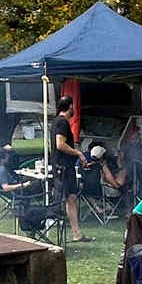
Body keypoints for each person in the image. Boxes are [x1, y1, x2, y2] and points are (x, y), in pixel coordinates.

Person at [52, 95, 88, 242]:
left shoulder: (56, 121)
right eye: (73, 107)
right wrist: (78, 153)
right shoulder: (62, 122)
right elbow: (60, 144)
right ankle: (75, 233)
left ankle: (76, 232)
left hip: (61, 166)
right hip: (65, 167)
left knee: (70, 198)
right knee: (70, 198)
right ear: (70, 107)